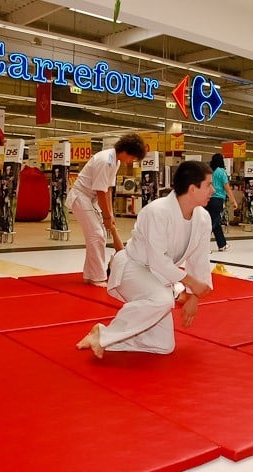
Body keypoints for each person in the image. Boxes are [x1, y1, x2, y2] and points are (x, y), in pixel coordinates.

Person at [76, 161, 214, 358]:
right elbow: (158, 260)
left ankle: (105, 339)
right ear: (193, 189)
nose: (213, 190)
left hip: (158, 276)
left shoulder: (203, 218)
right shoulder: (156, 211)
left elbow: (200, 258)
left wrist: (194, 296)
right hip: (133, 267)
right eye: (208, 185)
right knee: (162, 300)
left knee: (163, 345)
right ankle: (104, 334)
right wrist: (190, 283)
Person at [65, 133, 146, 286]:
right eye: (133, 158)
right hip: (81, 197)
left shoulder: (115, 161)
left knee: (96, 236)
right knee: (97, 235)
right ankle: (97, 276)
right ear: (127, 151)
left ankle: (90, 275)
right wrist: (107, 217)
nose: (131, 162)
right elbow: (101, 191)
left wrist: (110, 214)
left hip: (90, 198)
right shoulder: (105, 160)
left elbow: (108, 189)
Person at [205, 153, 238, 252]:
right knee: (213, 222)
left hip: (207, 198)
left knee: (215, 221)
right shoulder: (221, 172)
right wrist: (234, 201)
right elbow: (227, 188)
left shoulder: (209, 171)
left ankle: (222, 244)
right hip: (218, 199)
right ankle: (203, 246)